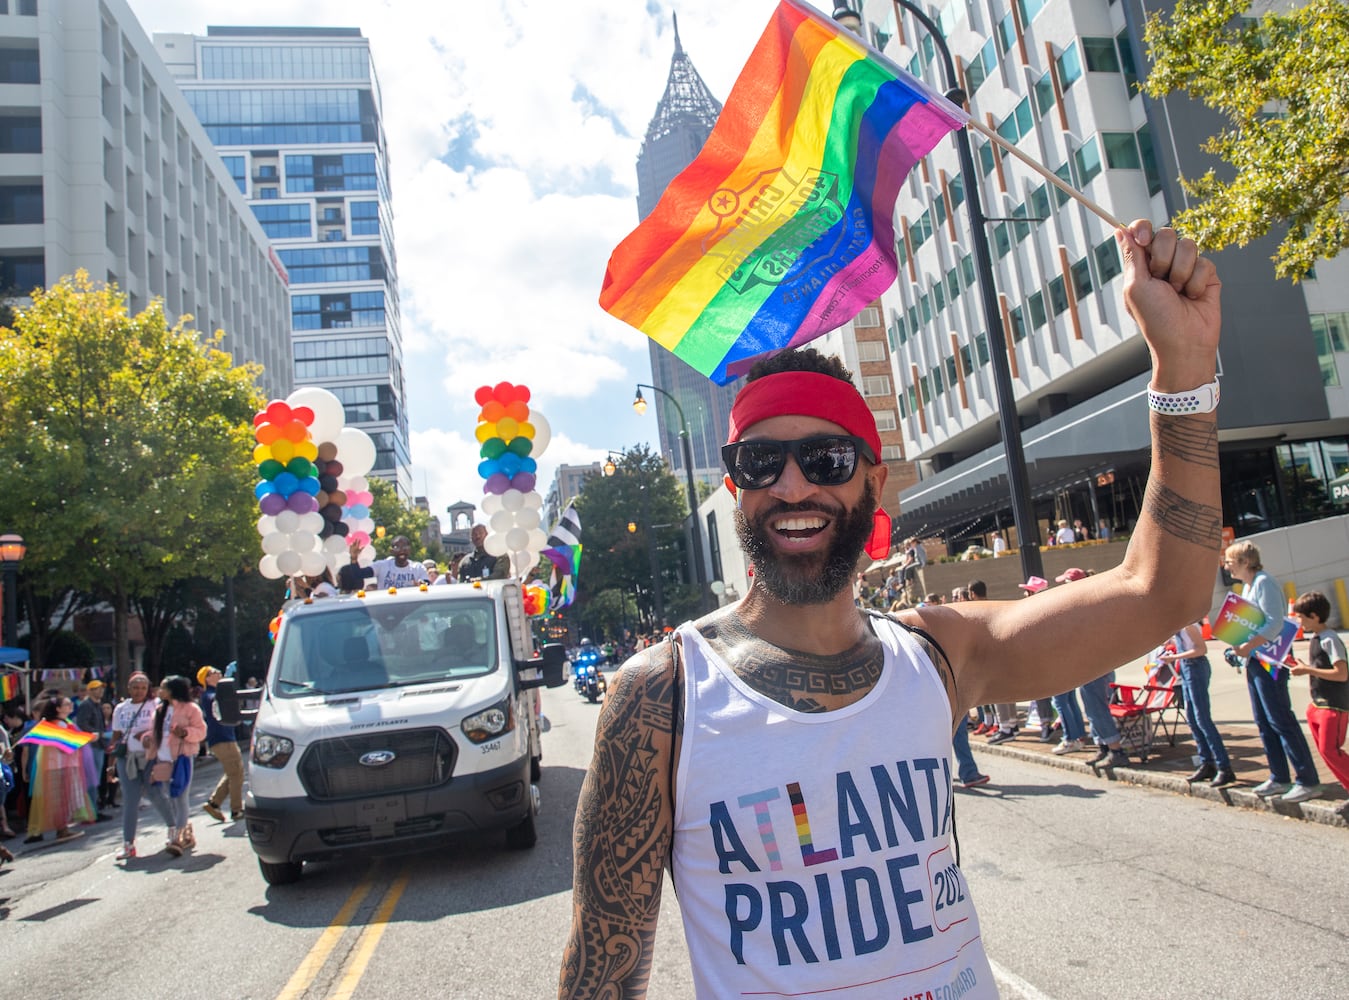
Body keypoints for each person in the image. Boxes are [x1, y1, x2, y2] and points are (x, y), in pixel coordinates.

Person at [559, 220, 1224, 999]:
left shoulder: (941, 656)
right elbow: (604, 968)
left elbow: (1162, 593)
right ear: (735, 487)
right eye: (761, 461)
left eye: (828, 460)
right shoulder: (660, 696)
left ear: (873, 483)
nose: (794, 485)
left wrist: (1182, 368)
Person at [1223, 541, 1321, 802]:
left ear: (1245, 562)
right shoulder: (1248, 585)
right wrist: (1237, 645)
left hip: (1269, 663)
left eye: (1230, 561)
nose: (1226, 566)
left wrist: (1248, 646)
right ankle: (1279, 777)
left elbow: (1274, 624)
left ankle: (1307, 779)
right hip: (1256, 661)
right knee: (1265, 722)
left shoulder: (1264, 582)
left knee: (1280, 720)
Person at [1288, 591, 1349, 805]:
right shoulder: (1317, 638)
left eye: (1302, 617)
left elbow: (1341, 673)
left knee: (1330, 751)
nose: (1299, 621)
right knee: (1326, 753)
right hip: (1318, 704)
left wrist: (1308, 671)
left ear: (1314, 616)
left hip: (1334, 706)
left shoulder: (1330, 639)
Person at [1157, 621, 1235, 787]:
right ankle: (1206, 762)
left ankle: (1224, 766)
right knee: (1192, 718)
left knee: (1202, 718)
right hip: (1186, 667)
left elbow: (1201, 649)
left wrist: (1174, 657)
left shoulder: (1188, 625)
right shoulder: (1179, 626)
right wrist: (1170, 642)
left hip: (1195, 667)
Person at [141, 675, 207, 857]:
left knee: (180, 796)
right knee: (171, 796)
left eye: (163, 687)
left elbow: (201, 731)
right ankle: (185, 830)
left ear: (173, 690)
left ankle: (177, 838)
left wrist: (185, 732)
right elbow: (153, 731)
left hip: (182, 758)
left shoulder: (191, 709)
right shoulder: (159, 710)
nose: (158, 690)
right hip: (162, 759)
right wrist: (146, 738)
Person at [22, 695, 93, 844]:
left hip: (59, 766)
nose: (70, 706)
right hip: (60, 766)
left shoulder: (59, 723)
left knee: (61, 798)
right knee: (61, 798)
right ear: (58, 709)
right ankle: (62, 829)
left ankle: (62, 828)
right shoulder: (59, 725)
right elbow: (65, 747)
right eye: (66, 704)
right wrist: (86, 739)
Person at [109, 673, 158, 860]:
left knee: (157, 796)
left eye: (143, 688)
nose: (139, 691)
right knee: (130, 802)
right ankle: (128, 845)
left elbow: (162, 729)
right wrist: (110, 765)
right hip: (127, 759)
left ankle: (176, 829)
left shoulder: (154, 705)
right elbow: (115, 737)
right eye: (135, 687)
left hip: (150, 758)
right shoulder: (121, 709)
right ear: (129, 689)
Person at [198, 666, 245, 823]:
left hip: (224, 737)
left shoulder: (212, 693)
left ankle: (214, 803)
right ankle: (237, 810)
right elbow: (219, 702)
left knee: (233, 772)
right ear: (206, 679)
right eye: (213, 673)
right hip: (222, 738)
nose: (217, 673)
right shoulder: (209, 695)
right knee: (237, 773)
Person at [74, 680, 111, 821]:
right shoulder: (86, 705)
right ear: (90, 691)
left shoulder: (97, 705)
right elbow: (82, 724)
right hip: (91, 746)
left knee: (95, 779)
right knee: (91, 779)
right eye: (96, 688)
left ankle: (94, 810)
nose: (100, 691)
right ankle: (91, 812)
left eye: (101, 688)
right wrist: (97, 734)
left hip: (99, 746)